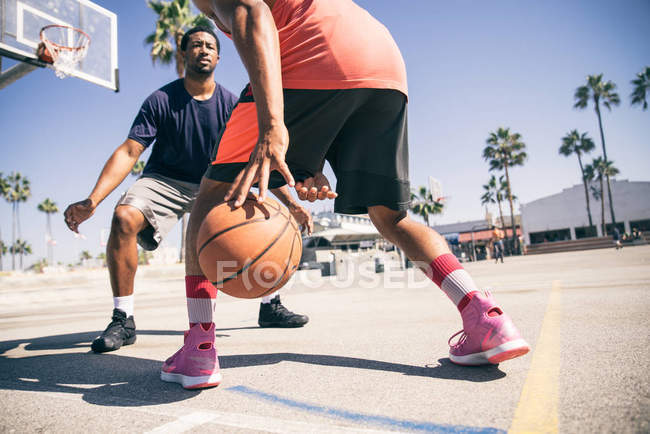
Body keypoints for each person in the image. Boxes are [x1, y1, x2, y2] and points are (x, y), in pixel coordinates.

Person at [161, 0, 530, 389]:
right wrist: (309, 160)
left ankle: (199, 347)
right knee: (392, 218)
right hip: (381, 65)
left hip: (314, 56)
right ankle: (484, 315)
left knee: (210, 197)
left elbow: (252, 10)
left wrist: (273, 124)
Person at [63, 26, 311, 354]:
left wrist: (291, 203)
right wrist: (93, 200)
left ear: (219, 57)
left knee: (261, 223)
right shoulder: (162, 100)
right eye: (196, 45)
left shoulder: (230, 104)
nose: (203, 50)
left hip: (216, 184)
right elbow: (129, 151)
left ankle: (270, 304)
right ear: (184, 54)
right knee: (124, 216)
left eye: (210, 45)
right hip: (166, 180)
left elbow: (255, 160)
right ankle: (123, 318)